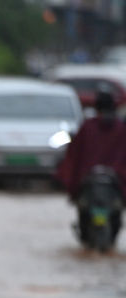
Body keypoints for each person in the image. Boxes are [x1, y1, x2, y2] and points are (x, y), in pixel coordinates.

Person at [55, 86, 126, 237]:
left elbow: (74, 155)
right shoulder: (120, 128)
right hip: (115, 181)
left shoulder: (88, 127)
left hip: (91, 180)